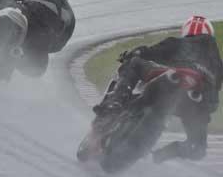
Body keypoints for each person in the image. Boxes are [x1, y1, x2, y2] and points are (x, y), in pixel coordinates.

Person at [93, 15, 223, 163]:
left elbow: (149, 52)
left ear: (187, 32)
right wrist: (167, 153)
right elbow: (215, 94)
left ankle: (113, 103)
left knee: (135, 63)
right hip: (198, 102)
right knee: (197, 148)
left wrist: (133, 53)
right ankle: (162, 155)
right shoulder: (217, 63)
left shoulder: (178, 43)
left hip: (172, 80)